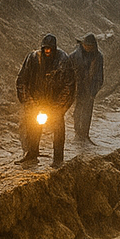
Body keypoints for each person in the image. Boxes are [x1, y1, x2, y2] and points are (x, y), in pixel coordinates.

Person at [15, 33, 76, 166]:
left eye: (50, 49)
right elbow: (22, 80)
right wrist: (29, 101)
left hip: (54, 102)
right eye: (45, 49)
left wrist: (59, 107)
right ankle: (31, 153)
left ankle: (58, 157)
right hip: (36, 101)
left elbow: (69, 86)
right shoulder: (32, 58)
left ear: (54, 49)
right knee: (31, 127)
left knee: (58, 128)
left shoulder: (63, 60)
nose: (47, 51)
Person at [66, 33, 104, 143]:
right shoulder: (74, 56)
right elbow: (68, 72)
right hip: (78, 87)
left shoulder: (98, 57)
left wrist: (94, 91)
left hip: (90, 88)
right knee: (78, 110)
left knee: (87, 112)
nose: (87, 47)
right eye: (86, 45)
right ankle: (78, 133)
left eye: (90, 46)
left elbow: (99, 75)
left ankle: (85, 134)